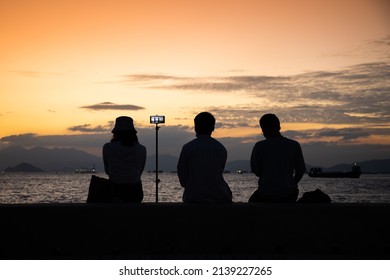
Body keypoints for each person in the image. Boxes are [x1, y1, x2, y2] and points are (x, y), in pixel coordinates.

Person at [249, 113, 306, 203]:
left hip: (266, 194)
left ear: (263, 129)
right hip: (289, 195)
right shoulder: (294, 145)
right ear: (279, 127)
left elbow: (257, 172)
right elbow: (300, 171)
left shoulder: (259, 146)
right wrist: (290, 184)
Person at [177, 112, 232, 203]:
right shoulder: (220, 148)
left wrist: (189, 185)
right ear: (213, 128)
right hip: (219, 196)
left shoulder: (188, 147)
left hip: (193, 196)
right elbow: (219, 170)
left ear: (195, 128)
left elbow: (182, 172)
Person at [103, 116, 147, 202]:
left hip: (114, 190)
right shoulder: (142, 149)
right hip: (135, 190)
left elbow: (107, 170)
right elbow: (140, 171)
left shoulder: (107, 147)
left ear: (115, 133)